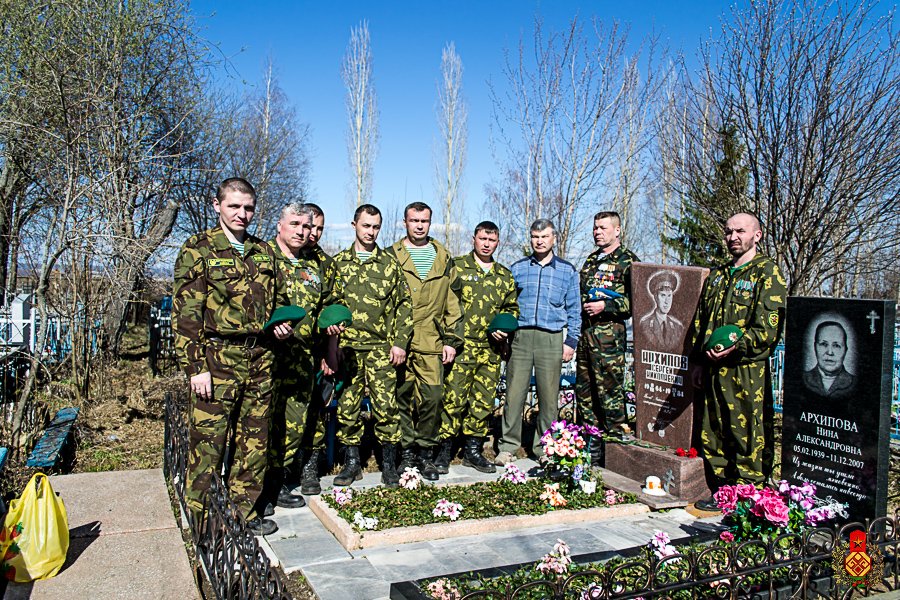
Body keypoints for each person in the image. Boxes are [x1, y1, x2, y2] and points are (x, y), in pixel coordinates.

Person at [172, 177, 291, 536]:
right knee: (208, 443)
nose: (242, 214)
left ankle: (243, 514)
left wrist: (281, 324)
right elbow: (186, 315)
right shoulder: (198, 249)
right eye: (234, 206)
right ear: (217, 205)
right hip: (216, 357)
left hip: (260, 357)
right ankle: (201, 521)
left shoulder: (264, 252)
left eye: (249, 207)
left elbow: (279, 301)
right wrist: (196, 367)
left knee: (253, 440)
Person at [692, 212, 786, 511]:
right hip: (712, 369)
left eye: (740, 232)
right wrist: (696, 360)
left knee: (747, 434)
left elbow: (768, 329)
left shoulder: (766, 273)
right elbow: (700, 322)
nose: (733, 237)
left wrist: (737, 347)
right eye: (729, 232)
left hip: (746, 371)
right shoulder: (718, 275)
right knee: (714, 431)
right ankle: (722, 491)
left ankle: (750, 496)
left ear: (757, 235)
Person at [265, 203, 344, 509]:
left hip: (300, 358)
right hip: (265, 358)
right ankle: (254, 486)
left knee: (295, 422)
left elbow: (327, 303)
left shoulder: (311, 265)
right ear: (280, 225)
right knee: (261, 422)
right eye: (295, 224)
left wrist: (332, 326)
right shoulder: (262, 257)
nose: (302, 231)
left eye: (307, 226)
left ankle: (278, 483)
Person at [333, 204, 413, 487]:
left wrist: (400, 343)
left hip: (381, 348)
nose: (371, 232)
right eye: (366, 225)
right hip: (349, 348)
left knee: (386, 406)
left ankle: (388, 463)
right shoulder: (338, 263)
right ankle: (352, 463)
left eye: (376, 227)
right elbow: (330, 307)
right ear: (354, 224)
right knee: (348, 406)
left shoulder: (389, 264)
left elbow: (404, 305)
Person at [495, 219, 581, 467]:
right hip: (521, 338)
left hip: (551, 338)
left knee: (548, 396)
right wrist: (505, 336)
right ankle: (508, 446)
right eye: (535, 237)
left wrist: (571, 341)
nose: (539, 241)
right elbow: (507, 306)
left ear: (554, 238)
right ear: (530, 239)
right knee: (514, 393)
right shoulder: (518, 268)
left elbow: (575, 310)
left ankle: (544, 447)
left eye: (544, 236)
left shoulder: (567, 271)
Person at [387, 202, 463, 480]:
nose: (419, 225)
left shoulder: (443, 257)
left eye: (425, 221)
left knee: (432, 399)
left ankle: (426, 453)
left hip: (432, 342)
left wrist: (452, 340)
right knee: (402, 399)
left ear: (431, 223)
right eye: (414, 220)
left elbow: (454, 303)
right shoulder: (391, 256)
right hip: (401, 343)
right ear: (404, 222)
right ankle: (406, 454)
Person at [436, 221, 519, 474]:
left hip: (490, 350)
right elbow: (445, 305)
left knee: (482, 402)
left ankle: (473, 452)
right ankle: (444, 451)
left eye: (492, 240)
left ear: (497, 243)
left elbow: (511, 308)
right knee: (453, 400)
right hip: (462, 348)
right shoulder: (458, 267)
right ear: (474, 238)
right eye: (483, 238)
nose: (486, 244)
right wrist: (448, 340)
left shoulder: (504, 275)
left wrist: (505, 329)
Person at [575, 211, 640, 465]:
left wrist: (607, 306)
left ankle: (615, 450)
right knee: (585, 391)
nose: (597, 232)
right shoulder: (590, 260)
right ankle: (592, 443)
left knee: (609, 392)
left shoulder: (628, 261)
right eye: (595, 228)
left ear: (617, 230)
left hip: (609, 338)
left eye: (602, 228)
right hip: (585, 334)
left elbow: (638, 301)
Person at [802, 320, 856, 399]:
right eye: (824, 344)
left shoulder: (855, 383)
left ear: (845, 350)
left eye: (836, 345)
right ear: (815, 347)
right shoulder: (802, 379)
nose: (830, 352)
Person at [638, 270, 685, 351]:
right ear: (655, 297)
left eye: (669, 296)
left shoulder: (678, 327)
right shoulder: (644, 324)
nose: (667, 301)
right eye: (663, 295)